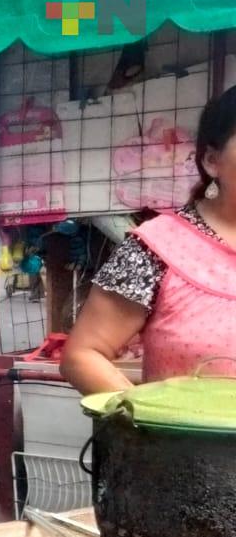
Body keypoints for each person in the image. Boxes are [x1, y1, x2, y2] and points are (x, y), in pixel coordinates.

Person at [63, 87, 236, 394]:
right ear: (212, 161)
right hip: (188, 440)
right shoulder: (157, 249)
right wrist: (145, 422)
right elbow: (83, 355)